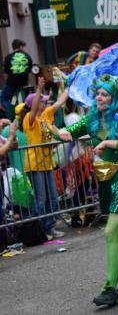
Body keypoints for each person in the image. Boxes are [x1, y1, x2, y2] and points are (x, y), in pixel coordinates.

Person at [57, 74, 118, 307]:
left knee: (111, 232)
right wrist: (59, 133)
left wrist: (108, 143)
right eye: (97, 94)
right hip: (107, 180)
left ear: (114, 98)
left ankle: (109, 288)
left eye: (104, 94)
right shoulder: (91, 118)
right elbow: (67, 131)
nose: (99, 98)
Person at [22, 77, 68, 239]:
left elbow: (60, 102)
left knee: (53, 200)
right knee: (41, 200)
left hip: (48, 163)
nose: (45, 103)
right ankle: (38, 230)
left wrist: (69, 84)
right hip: (35, 164)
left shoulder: (46, 116)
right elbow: (33, 108)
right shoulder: (29, 119)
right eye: (42, 101)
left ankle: (49, 228)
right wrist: (39, 89)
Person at [1, 39, 33, 120]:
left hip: (11, 84)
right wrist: (27, 83)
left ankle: (11, 113)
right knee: (26, 100)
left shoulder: (8, 57)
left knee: (3, 98)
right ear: (21, 47)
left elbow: (6, 73)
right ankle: (25, 114)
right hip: (24, 84)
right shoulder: (27, 56)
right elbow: (29, 72)